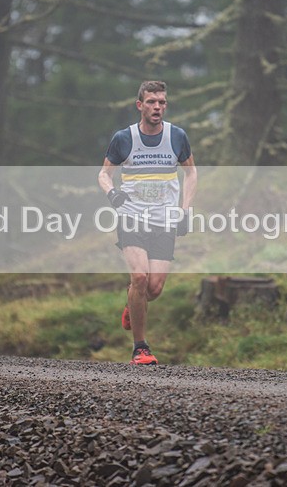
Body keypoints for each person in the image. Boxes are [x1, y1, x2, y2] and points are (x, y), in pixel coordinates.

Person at [98, 80, 197, 365]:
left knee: (153, 288)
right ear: (140, 105)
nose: (157, 107)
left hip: (164, 218)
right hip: (132, 217)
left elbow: (191, 174)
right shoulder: (123, 138)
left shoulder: (177, 136)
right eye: (152, 102)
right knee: (139, 277)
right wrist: (113, 194)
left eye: (162, 102)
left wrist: (185, 211)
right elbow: (104, 175)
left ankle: (134, 302)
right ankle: (140, 348)